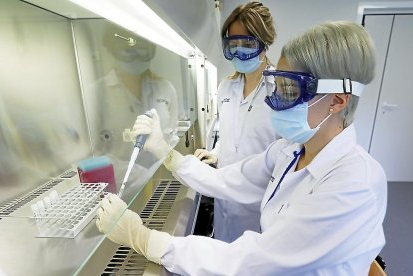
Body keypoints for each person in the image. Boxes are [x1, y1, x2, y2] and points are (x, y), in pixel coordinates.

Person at [96, 21, 387, 275]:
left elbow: (253, 261)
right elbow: (226, 180)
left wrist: (142, 238)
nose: (275, 101)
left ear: (337, 101)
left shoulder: (354, 185)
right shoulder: (289, 151)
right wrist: (167, 154)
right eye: (278, 86)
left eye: (290, 90)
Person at [194, 1, 279, 242]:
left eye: (248, 43)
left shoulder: (280, 92)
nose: (239, 51)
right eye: (233, 43)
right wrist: (217, 152)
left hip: (260, 205)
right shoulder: (226, 88)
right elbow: (231, 134)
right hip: (225, 198)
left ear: (265, 42)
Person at [86, 22, 178, 196]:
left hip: (161, 184)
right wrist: (140, 175)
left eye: (143, 49)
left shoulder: (166, 89)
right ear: (112, 49)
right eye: (127, 49)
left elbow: (171, 137)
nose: (135, 55)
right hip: (119, 191)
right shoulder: (96, 93)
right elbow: (92, 154)